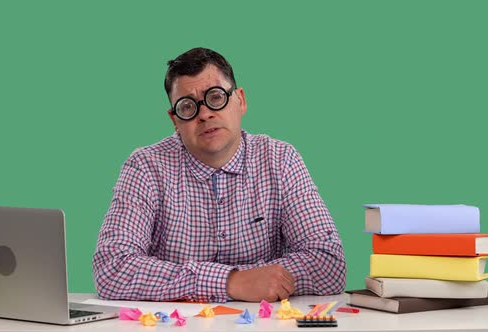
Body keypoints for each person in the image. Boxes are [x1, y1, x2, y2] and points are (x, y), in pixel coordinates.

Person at [92, 47, 346, 303]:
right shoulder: (145, 167)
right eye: (187, 106)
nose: (204, 114)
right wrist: (231, 282)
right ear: (174, 120)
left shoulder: (280, 159)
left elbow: (328, 263)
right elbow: (111, 268)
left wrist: (254, 280)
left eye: (215, 98)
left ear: (240, 100)